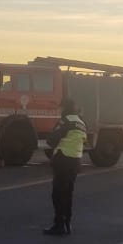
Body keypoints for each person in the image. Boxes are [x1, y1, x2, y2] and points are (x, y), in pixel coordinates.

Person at [43, 100, 87, 235]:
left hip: (63, 160)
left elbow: (51, 140)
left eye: (61, 108)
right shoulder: (82, 123)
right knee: (68, 193)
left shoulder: (65, 121)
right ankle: (67, 223)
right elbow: (84, 140)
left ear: (65, 108)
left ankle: (59, 225)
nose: (60, 110)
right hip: (75, 161)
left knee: (58, 194)